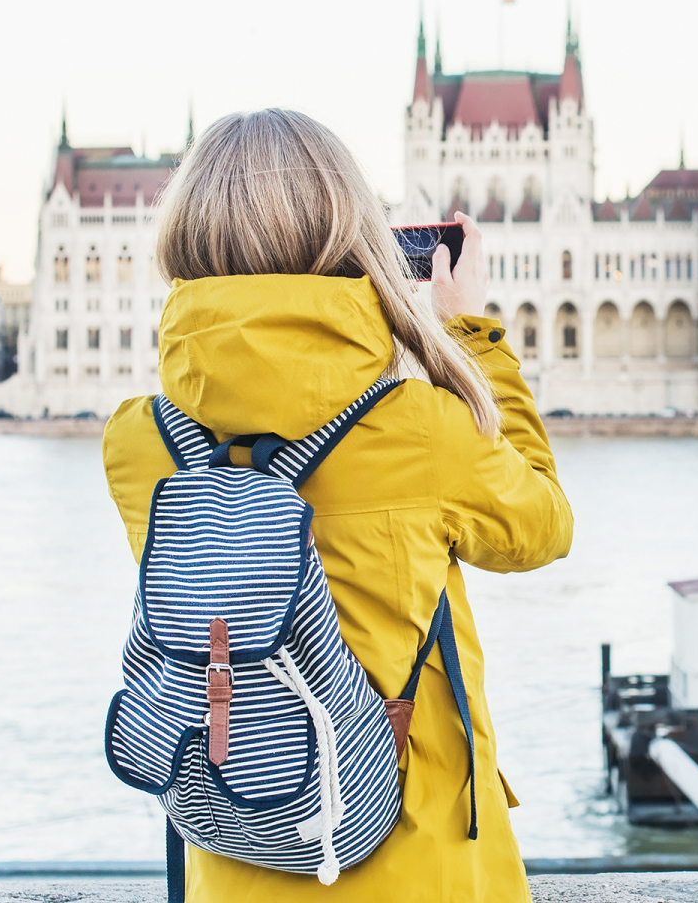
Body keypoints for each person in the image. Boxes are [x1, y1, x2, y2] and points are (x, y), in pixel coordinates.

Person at [101, 108, 573, 901]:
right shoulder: (422, 429)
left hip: (243, 848)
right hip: (417, 868)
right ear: (348, 234)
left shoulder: (141, 443)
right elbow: (543, 527)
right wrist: (470, 335)